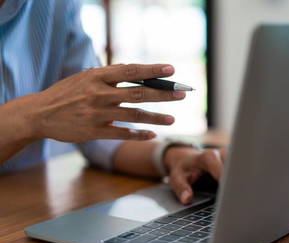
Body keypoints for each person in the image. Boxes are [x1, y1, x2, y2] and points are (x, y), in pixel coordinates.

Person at [0, 0, 225, 204]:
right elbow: (50, 112)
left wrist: (175, 156)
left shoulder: (59, 4)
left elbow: (98, 134)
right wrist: (34, 116)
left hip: (29, 205)